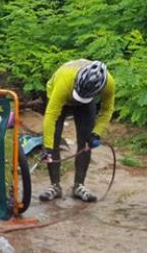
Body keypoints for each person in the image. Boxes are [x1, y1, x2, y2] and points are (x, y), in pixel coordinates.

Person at [38, 59, 116, 203]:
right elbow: (51, 115)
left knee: (86, 140)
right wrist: (47, 146)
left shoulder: (108, 84)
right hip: (61, 93)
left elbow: (107, 110)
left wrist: (96, 133)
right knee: (53, 140)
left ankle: (79, 186)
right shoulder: (64, 80)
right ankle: (55, 186)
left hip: (87, 102)